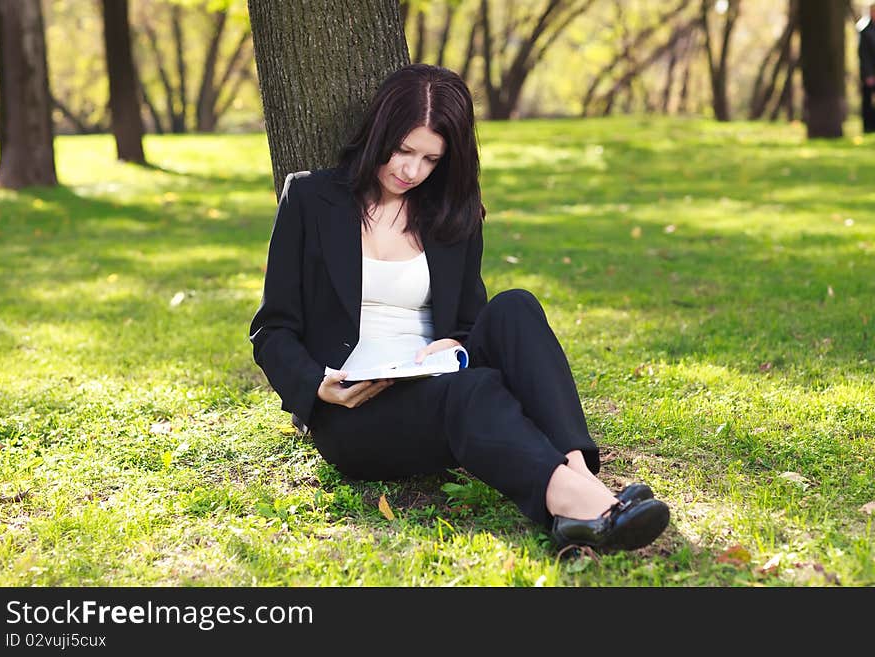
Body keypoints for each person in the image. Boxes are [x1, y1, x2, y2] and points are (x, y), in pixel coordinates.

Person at [249, 64, 669, 553]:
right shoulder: (310, 198)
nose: (411, 171)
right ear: (378, 131)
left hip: (438, 378)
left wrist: (459, 343)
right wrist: (316, 389)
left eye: (430, 159)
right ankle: (584, 505)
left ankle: (579, 476)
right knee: (474, 390)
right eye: (403, 150)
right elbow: (272, 327)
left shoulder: (453, 211)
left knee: (515, 307)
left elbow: (471, 320)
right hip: (355, 413)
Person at [859, 2, 875, 133]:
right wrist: (868, 74)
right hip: (870, 72)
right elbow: (864, 55)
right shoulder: (865, 31)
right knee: (868, 101)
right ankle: (868, 127)